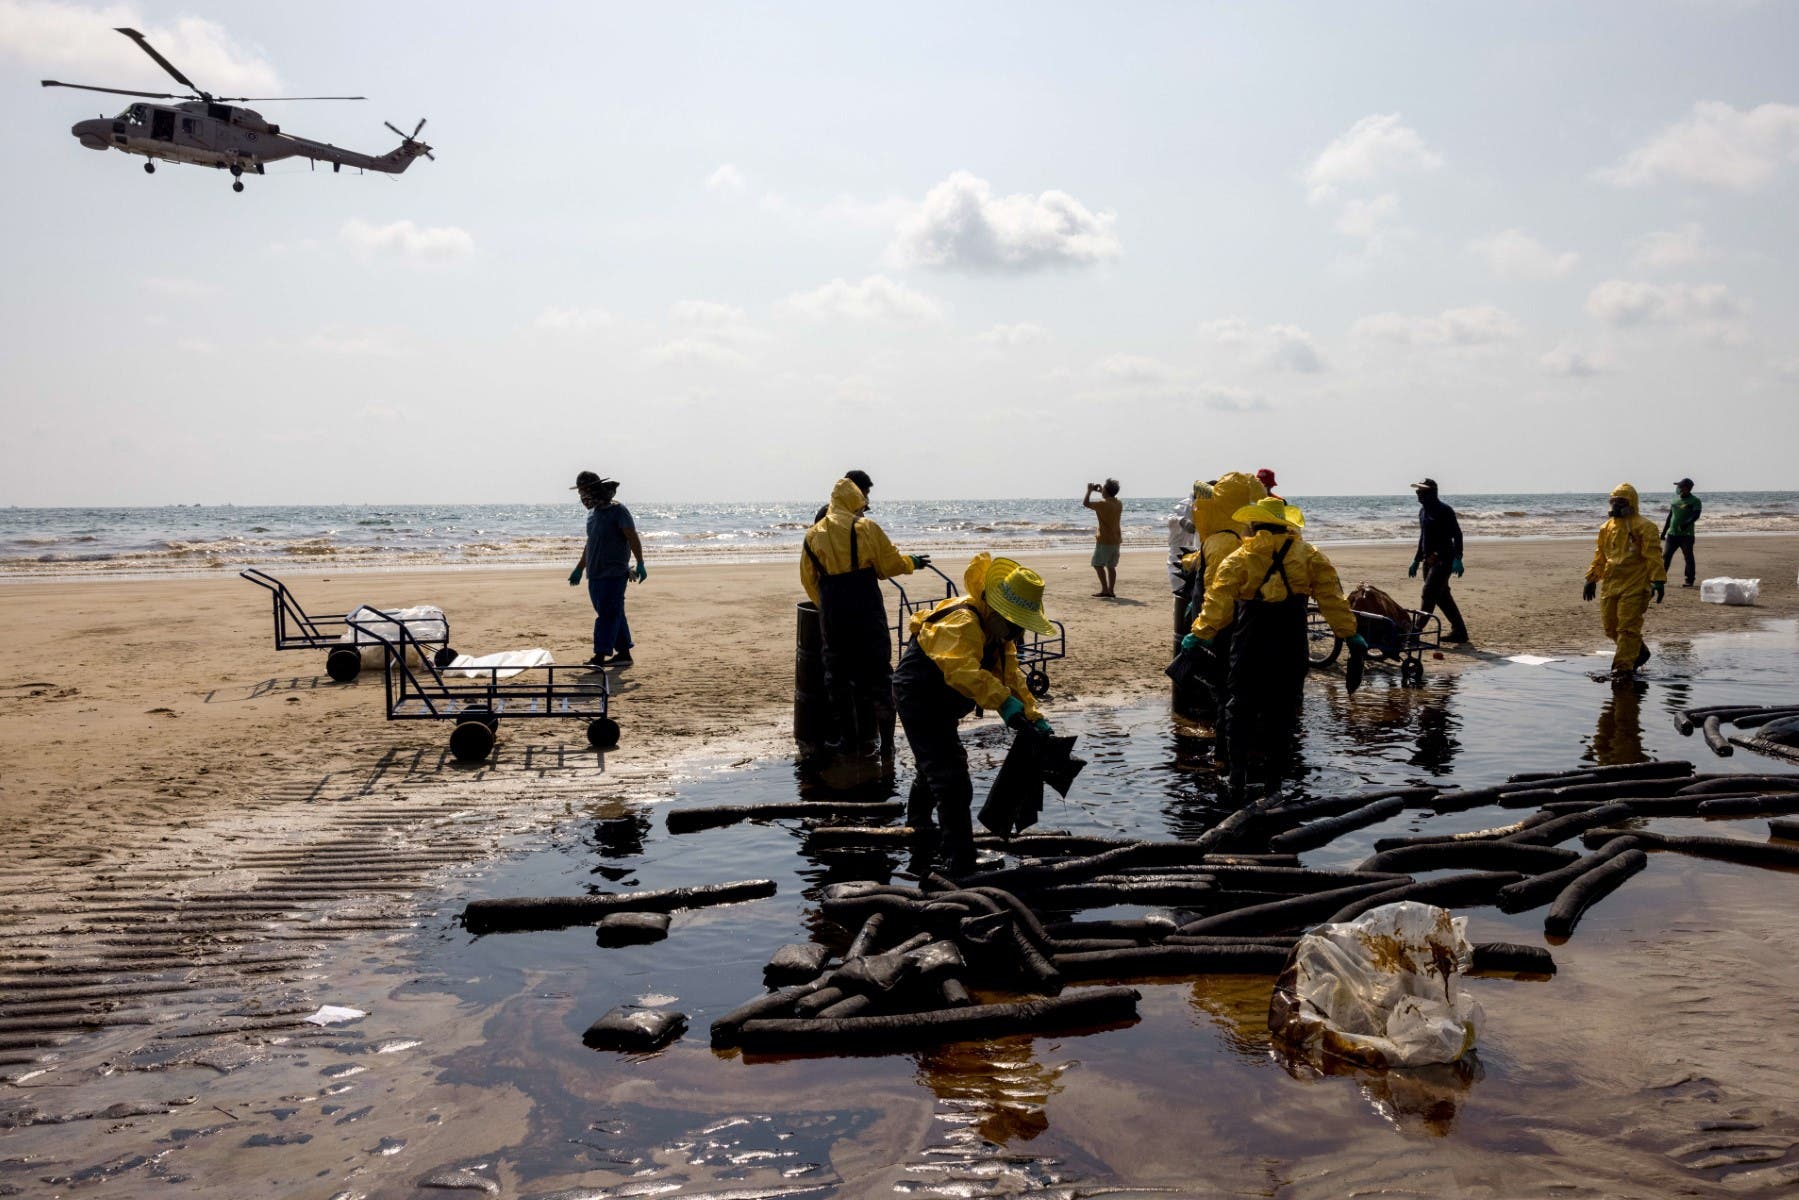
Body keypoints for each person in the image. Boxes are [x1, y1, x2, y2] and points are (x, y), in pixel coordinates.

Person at [1181, 497, 1365, 795]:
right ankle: (1274, 782)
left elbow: (1219, 604)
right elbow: (1332, 599)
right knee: (1282, 711)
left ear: (1253, 524)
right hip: (1291, 643)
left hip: (1249, 644)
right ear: (1285, 524)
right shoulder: (1309, 556)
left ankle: (1237, 777)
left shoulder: (1240, 558)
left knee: (1239, 708)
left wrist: (1199, 634)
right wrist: (1351, 635)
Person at [894, 553, 1054, 873]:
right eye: (1013, 624)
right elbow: (961, 670)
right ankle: (960, 861)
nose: (1015, 634)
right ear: (996, 609)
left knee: (934, 767)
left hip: (941, 702)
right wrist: (1001, 702)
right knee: (952, 781)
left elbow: (1011, 678)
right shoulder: (964, 621)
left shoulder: (997, 632)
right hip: (919, 696)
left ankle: (919, 833)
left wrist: (1034, 715)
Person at [800, 473, 929, 757]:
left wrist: (826, 606)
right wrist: (913, 563)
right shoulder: (866, 528)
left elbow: (809, 581)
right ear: (856, 499)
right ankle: (888, 744)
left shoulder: (812, 536)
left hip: (834, 615)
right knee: (879, 676)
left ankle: (848, 741)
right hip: (867, 611)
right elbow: (888, 565)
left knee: (838, 677)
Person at [1175, 471, 1267, 723]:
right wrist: (1190, 560)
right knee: (1234, 684)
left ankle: (1223, 748)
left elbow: (1219, 594)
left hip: (1223, 628)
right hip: (1239, 624)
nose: (1196, 507)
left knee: (1224, 688)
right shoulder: (1234, 538)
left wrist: (1203, 631)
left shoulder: (1220, 542)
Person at [1583, 483, 1666, 675]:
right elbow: (1600, 556)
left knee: (1627, 628)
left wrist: (1658, 580)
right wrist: (1591, 578)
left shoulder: (1645, 527)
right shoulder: (1607, 528)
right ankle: (1640, 651)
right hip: (1611, 584)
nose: (1616, 506)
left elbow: (1653, 555)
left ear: (1631, 503)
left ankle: (1622, 670)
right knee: (1611, 627)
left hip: (1636, 585)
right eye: (1613, 502)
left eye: (1621, 502)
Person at [567, 471, 646, 668]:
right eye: (580, 493)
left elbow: (632, 536)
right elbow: (591, 543)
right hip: (594, 573)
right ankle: (624, 654)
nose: (582, 497)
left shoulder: (618, 510)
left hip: (614, 573)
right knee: (613, 612)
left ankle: (600, 656)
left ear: (593, 489)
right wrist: (579, 568)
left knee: (607, 615)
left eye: (583, 492)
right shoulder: (593, 514)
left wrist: (641, 562)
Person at [1407, 478, 1469, 643]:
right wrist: (1416, 560)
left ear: (1431, 493)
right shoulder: (1422, 511)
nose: (1418, 494)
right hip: (1428, 561)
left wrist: (1458, 558)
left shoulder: (1444, 511)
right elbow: (1423, 538)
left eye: (1421, 491)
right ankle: (1460, 632)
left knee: (1428, 593)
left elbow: (1457, 535)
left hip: (1444, 559)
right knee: (1442, 597)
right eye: (1417, 491)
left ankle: (1415, 632)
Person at [1083, 479, 1124, 598]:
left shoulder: (1103, 504)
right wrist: (1103, 492)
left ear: (1106, 491)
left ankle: (1105, 589)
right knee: (1111, 566)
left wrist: (1089, 491)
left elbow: (1086, 503)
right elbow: (1109, 498)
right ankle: (1111, 590)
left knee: (1097, 564)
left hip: (1105, 540)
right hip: (1116, 539)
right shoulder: (1118, 503)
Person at [1662, 477, 1702, 588]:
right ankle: (1660, 577)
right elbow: (1670, 516)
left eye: (1680, 486)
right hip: (1672, 535)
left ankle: (1689, 580)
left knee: (1688, 557)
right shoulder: (1675, 500)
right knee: (1666, 556)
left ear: (1687, 488)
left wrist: (1686, 524)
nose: (1678, 488)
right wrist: (1664, 532)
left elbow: (1696, 515)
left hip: (1686, 536)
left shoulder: (1695, 501)